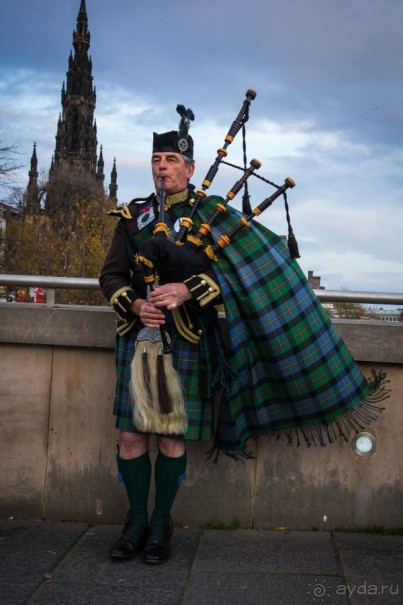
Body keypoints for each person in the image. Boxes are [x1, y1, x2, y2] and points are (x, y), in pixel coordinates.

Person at [99, 105, 386, 565]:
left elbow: (243, 272)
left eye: (172, 161)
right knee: (132, 438)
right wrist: (134, 303)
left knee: (171, 439)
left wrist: (185, 289)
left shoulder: (215, 214)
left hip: (188, 339)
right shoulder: (133, 215)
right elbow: (110, 276)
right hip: (139, 338)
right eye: (157, 160)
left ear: (190, 169)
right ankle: (134, 522)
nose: (162, 167)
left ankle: (159, 527)